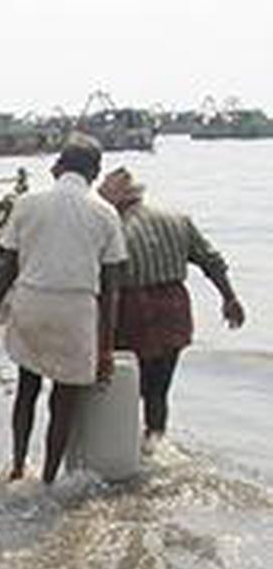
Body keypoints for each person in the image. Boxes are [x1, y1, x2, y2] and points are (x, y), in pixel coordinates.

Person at [0, 134, 128, 483]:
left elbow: (6, 271)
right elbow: (111, 290)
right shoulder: (105, 212)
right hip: (76, 312)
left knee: (27, 389)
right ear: (95, 172)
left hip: (31, 304)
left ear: (59, 167)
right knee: (64, 401)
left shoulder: (27, 203)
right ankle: (47, 478)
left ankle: (16, 465)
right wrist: (105, 348)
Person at [97, 166, 246, 444]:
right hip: (173, 308)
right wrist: (229, 297)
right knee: (159, 388)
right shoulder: (178, 220)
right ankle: (155, 441)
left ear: (114, 201)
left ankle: (126, 447)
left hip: (132, 310)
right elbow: (210, 260)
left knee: (127, 386)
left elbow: (107, 281)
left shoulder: (114, 229)